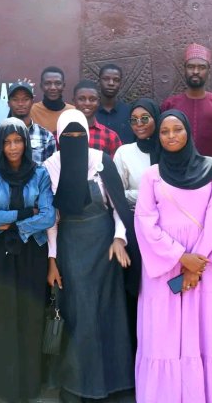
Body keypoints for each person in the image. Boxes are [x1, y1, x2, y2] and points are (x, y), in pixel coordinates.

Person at [133, 110, 212, 403]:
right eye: (165, 131)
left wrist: (195, 263)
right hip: (162, 270)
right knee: (160, 338)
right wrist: (180, 257)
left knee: (199, 335)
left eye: (177, 129)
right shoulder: (151, 175)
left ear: (188, 132)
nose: (172, 135)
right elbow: (144, 221)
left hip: (201, 270)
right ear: (158, 137)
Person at [43, 109, 135, 401]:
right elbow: (52, 220)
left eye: (78, 135)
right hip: (71, 248)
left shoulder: (101, 161)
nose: (73, 140)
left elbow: (118, 206)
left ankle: (113, 383)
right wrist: (52, 260)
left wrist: (120, 238)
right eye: (67, 135)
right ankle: (78, 385)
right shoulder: (50, 165)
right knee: (79, 314)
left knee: (109, 313)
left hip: (105, 247)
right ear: (58, 137)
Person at [0, 118, 56, 402]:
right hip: (1, 255)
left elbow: (47, 216)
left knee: (30, 316)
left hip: (32, 253)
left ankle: (29, 386)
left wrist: (8, 223)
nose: (13, 147)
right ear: (0, 144)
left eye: (18, 141)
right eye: (7, 142)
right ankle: (2, 385)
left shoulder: (39, 174)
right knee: (2, 317)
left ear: (25, 143)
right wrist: (22, 216)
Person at [161, 43, 212, 157]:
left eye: (202, 67)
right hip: (178, 171)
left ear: (209, 70)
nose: (195, 71)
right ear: (184, 69)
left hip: (211, 171)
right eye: (191, 66)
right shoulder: (169, 105)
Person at [0, 82, 56, 165]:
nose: (20, 104)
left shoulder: (46, 135)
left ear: (32, 102)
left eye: (25, 99)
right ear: (8, 103)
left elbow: (52, 171)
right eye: (15, 99)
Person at [113, 98, 161, 207]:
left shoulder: (169, 150)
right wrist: (150, 194)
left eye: (144, 118)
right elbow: (116, 193)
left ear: (156, 118)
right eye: (134, 120)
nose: (138, 124)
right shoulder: (124, 153)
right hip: (134, 217)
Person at [73, 79, 122, 157]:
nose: (87, 103)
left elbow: (117, 167)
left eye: (92, 99)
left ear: (99, 102)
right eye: (82, 99)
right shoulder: (63, 133)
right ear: (74, 101)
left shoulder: (110, 136)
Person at [95, 64, 134, 144]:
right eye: (106, 79)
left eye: (116, 80)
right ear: (99, 82)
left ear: (121, 83)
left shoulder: (130, 112)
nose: (111, 83)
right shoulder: (90, 113)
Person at [30, 66, 75, 134]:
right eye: (47, 83)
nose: (53, 88)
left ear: (63, 86)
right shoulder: (32, 111)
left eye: (58, 83)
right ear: (41, 86)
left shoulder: (73, 112)